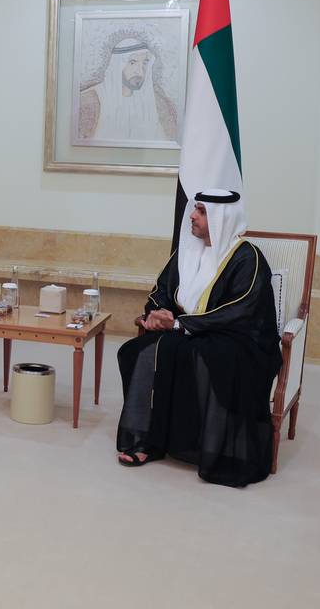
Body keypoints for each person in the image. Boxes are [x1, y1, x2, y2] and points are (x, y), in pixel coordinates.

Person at [115, 189, 280, 487]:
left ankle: (215, 451)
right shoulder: (187, 250)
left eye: (201, 211)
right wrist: (157, 313)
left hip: (238, 341)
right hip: (187, 331)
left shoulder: (247, 257)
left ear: (222, 218)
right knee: (137, 352)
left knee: (205, 359)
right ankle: (146, 440)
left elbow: (240, 310)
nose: (191, 215)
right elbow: (161, 289)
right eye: (195, 209)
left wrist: (179, 324)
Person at [79, 37, 178, 143]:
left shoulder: (155, 102)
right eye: (132, 62)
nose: (140, 72)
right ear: (118, 66)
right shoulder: (90, 100)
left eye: (144, 63)